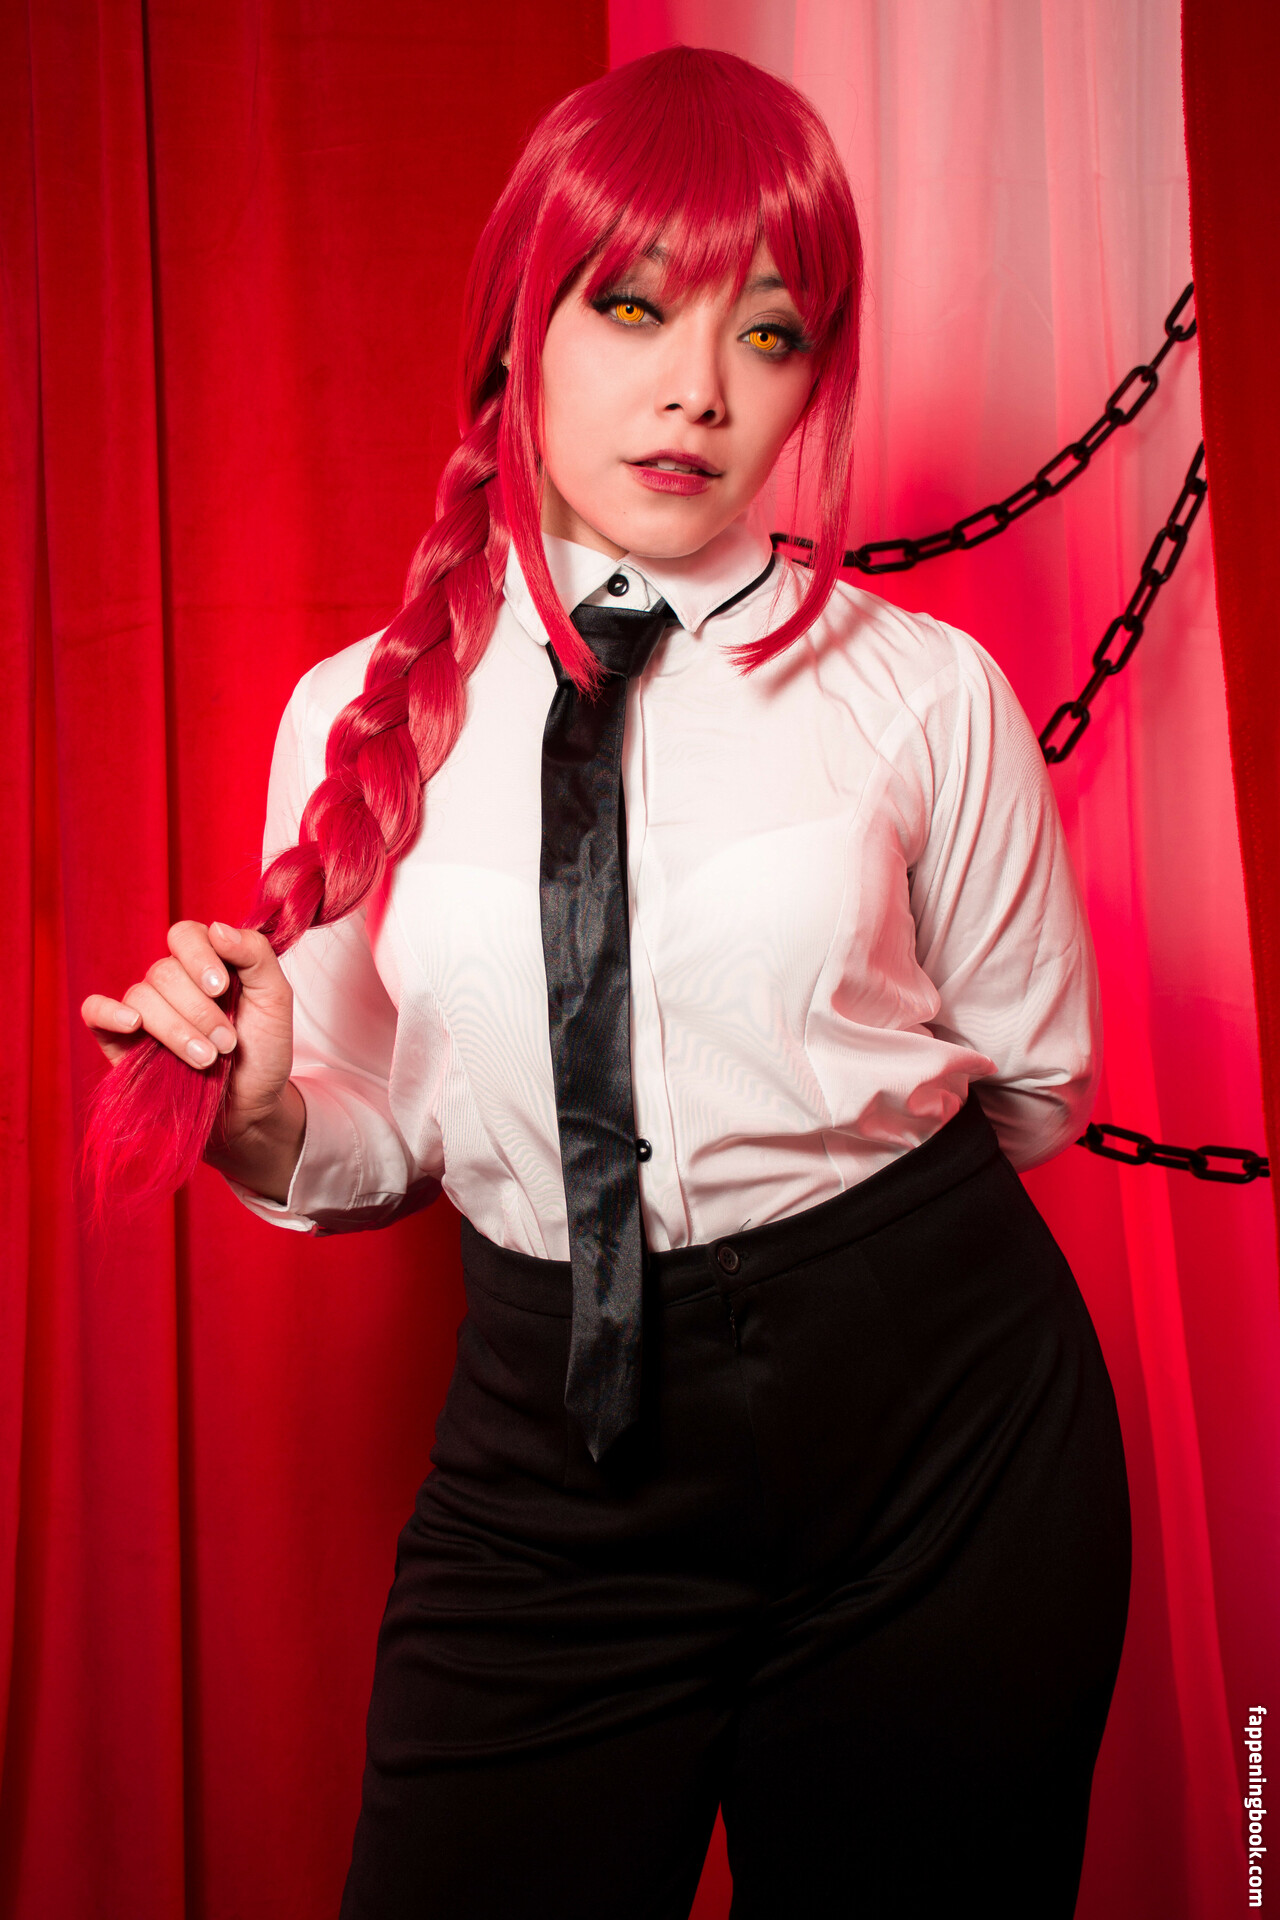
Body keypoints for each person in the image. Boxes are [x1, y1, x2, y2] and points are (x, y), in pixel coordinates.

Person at [81, 44, 1131, 1920]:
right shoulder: (351, 715)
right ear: (522, 325)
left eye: (769, 334)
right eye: (633, 307)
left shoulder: (923, 693)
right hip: (553, 1456)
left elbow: (1032, 1081)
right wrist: (258, 1118)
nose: (698, 390)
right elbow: (382, 1134)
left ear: (815, 375)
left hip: (942, 1450)